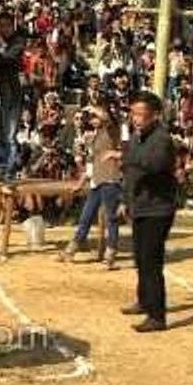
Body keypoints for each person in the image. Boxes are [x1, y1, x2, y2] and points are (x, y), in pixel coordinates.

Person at [114, 91, 177, 332]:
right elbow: (131, 174)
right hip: (140, 205)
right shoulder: (137, 137)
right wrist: (124, 200)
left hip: (158, 208)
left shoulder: (161, 138)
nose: (136, 119)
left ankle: (157, 315)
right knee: (140, 258)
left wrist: (126, 154)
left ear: (154, 115)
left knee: (151, 261)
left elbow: (155, 164)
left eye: (141, 114)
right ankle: (144, 300)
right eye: (133, 114)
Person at [59, 105, 122, 268]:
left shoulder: (110, 131)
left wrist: (93, 107)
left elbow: (107, 118)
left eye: (94, 117)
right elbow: (90, 167)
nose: (92, 120)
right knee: (85, 218)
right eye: (91, 118)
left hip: (109, 180)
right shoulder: (94, 137)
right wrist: (79, 185)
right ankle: (71, 250)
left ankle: (110, 253)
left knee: (111, 219)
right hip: (96, 183)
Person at [0, 10, 27, 179]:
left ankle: (10, 171)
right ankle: (1, 168)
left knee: (10, 135)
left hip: (10, 94)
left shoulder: (18, 42)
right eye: (0, 26)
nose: (4, 29)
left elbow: (6, 59)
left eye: (7, 26)